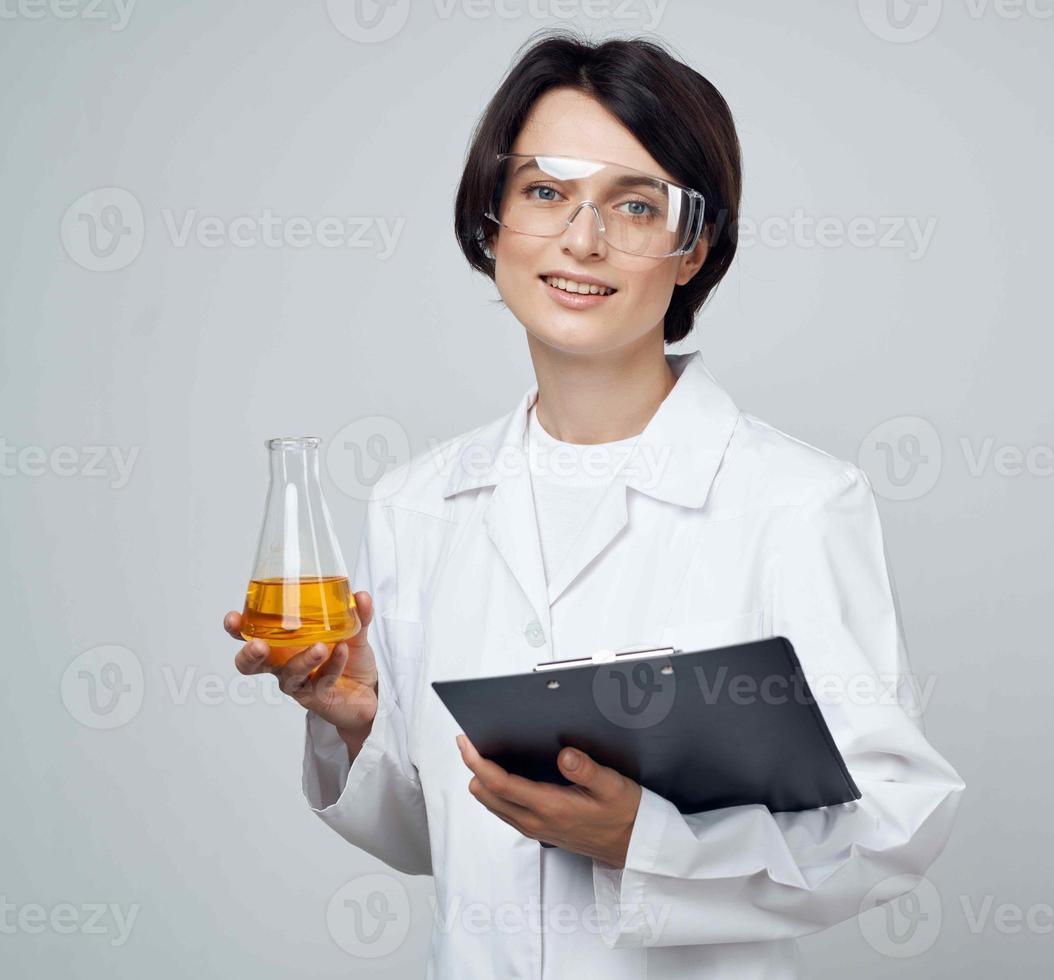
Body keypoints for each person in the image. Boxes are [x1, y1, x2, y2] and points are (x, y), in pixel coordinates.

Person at [222, 29, 965, 980]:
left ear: (694, 247)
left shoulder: (795, 504)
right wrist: (357, 722)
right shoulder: (418, 504)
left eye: (635, 204)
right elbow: (429, 841)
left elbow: (898, 816)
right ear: (493, 219)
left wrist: (647, 847)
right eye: (545, 192)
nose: (582, 239)